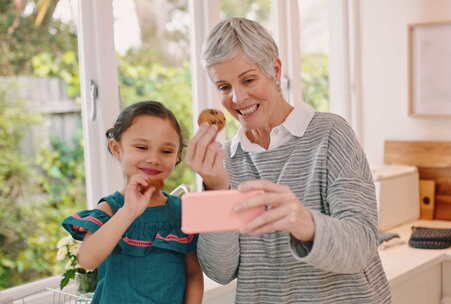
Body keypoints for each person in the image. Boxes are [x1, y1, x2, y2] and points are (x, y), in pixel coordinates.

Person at [185, 17, 391, 304]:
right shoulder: (223, 163)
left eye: (248, 79)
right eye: (223, 86)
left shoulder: (330, 134)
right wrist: (216, 188)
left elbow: (362, 246)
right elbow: (220, 271)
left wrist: (303, 222)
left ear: (275, 70)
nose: (237, 97)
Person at [62, 101, 203, 304]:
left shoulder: (181, 212)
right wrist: (128, 211)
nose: (154, 158)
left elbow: (193, 276)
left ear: (177, 156)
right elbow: (87, 260)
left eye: (166, 151)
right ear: (116, 148)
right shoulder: (110, 209)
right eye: (141, 147)